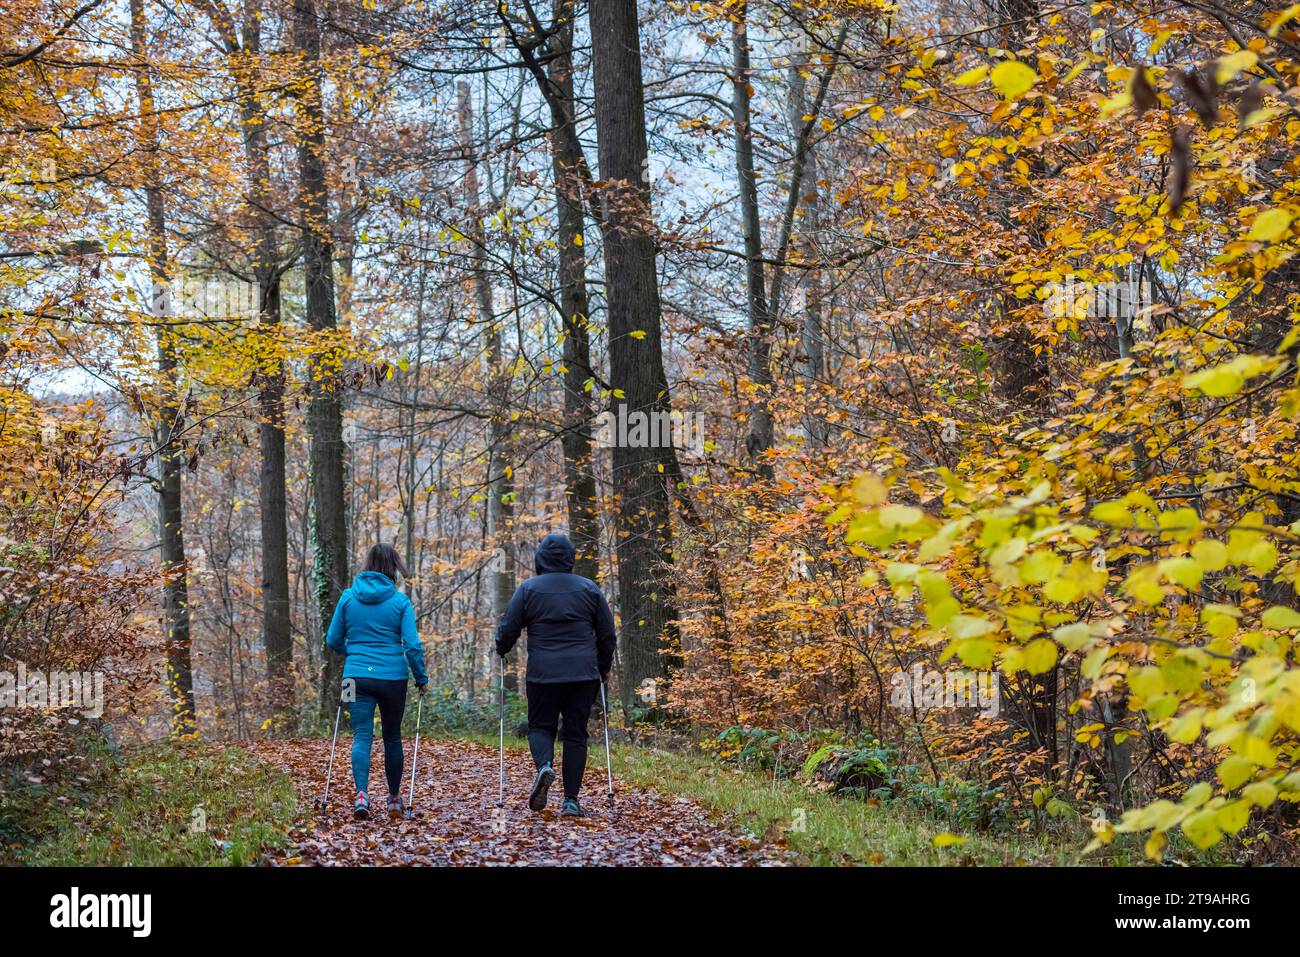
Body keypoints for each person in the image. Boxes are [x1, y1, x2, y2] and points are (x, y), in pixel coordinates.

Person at [496, 532, 616, 817]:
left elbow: (509, 627)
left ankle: (544, 767)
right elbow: (607, 633)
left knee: (540, 727)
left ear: (541, 559)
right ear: (571, 558)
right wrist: (603, 667)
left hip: (543, 674)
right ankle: (571, 801)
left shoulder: (528, 589)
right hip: (582, 674)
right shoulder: (589, 589)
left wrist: (502, 647)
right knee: (576, 734)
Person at [325, 543, 428, 819]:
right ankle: (394, 799)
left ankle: (361, 795)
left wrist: (355, 652)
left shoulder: (348, 597)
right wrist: (421, 678)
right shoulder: (400, 602)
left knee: (361, 735)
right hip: (392, 677)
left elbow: (332, 640)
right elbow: (413, 645)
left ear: (368, 564)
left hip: (355, 676)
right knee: (392, 737)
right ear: (393, 567)